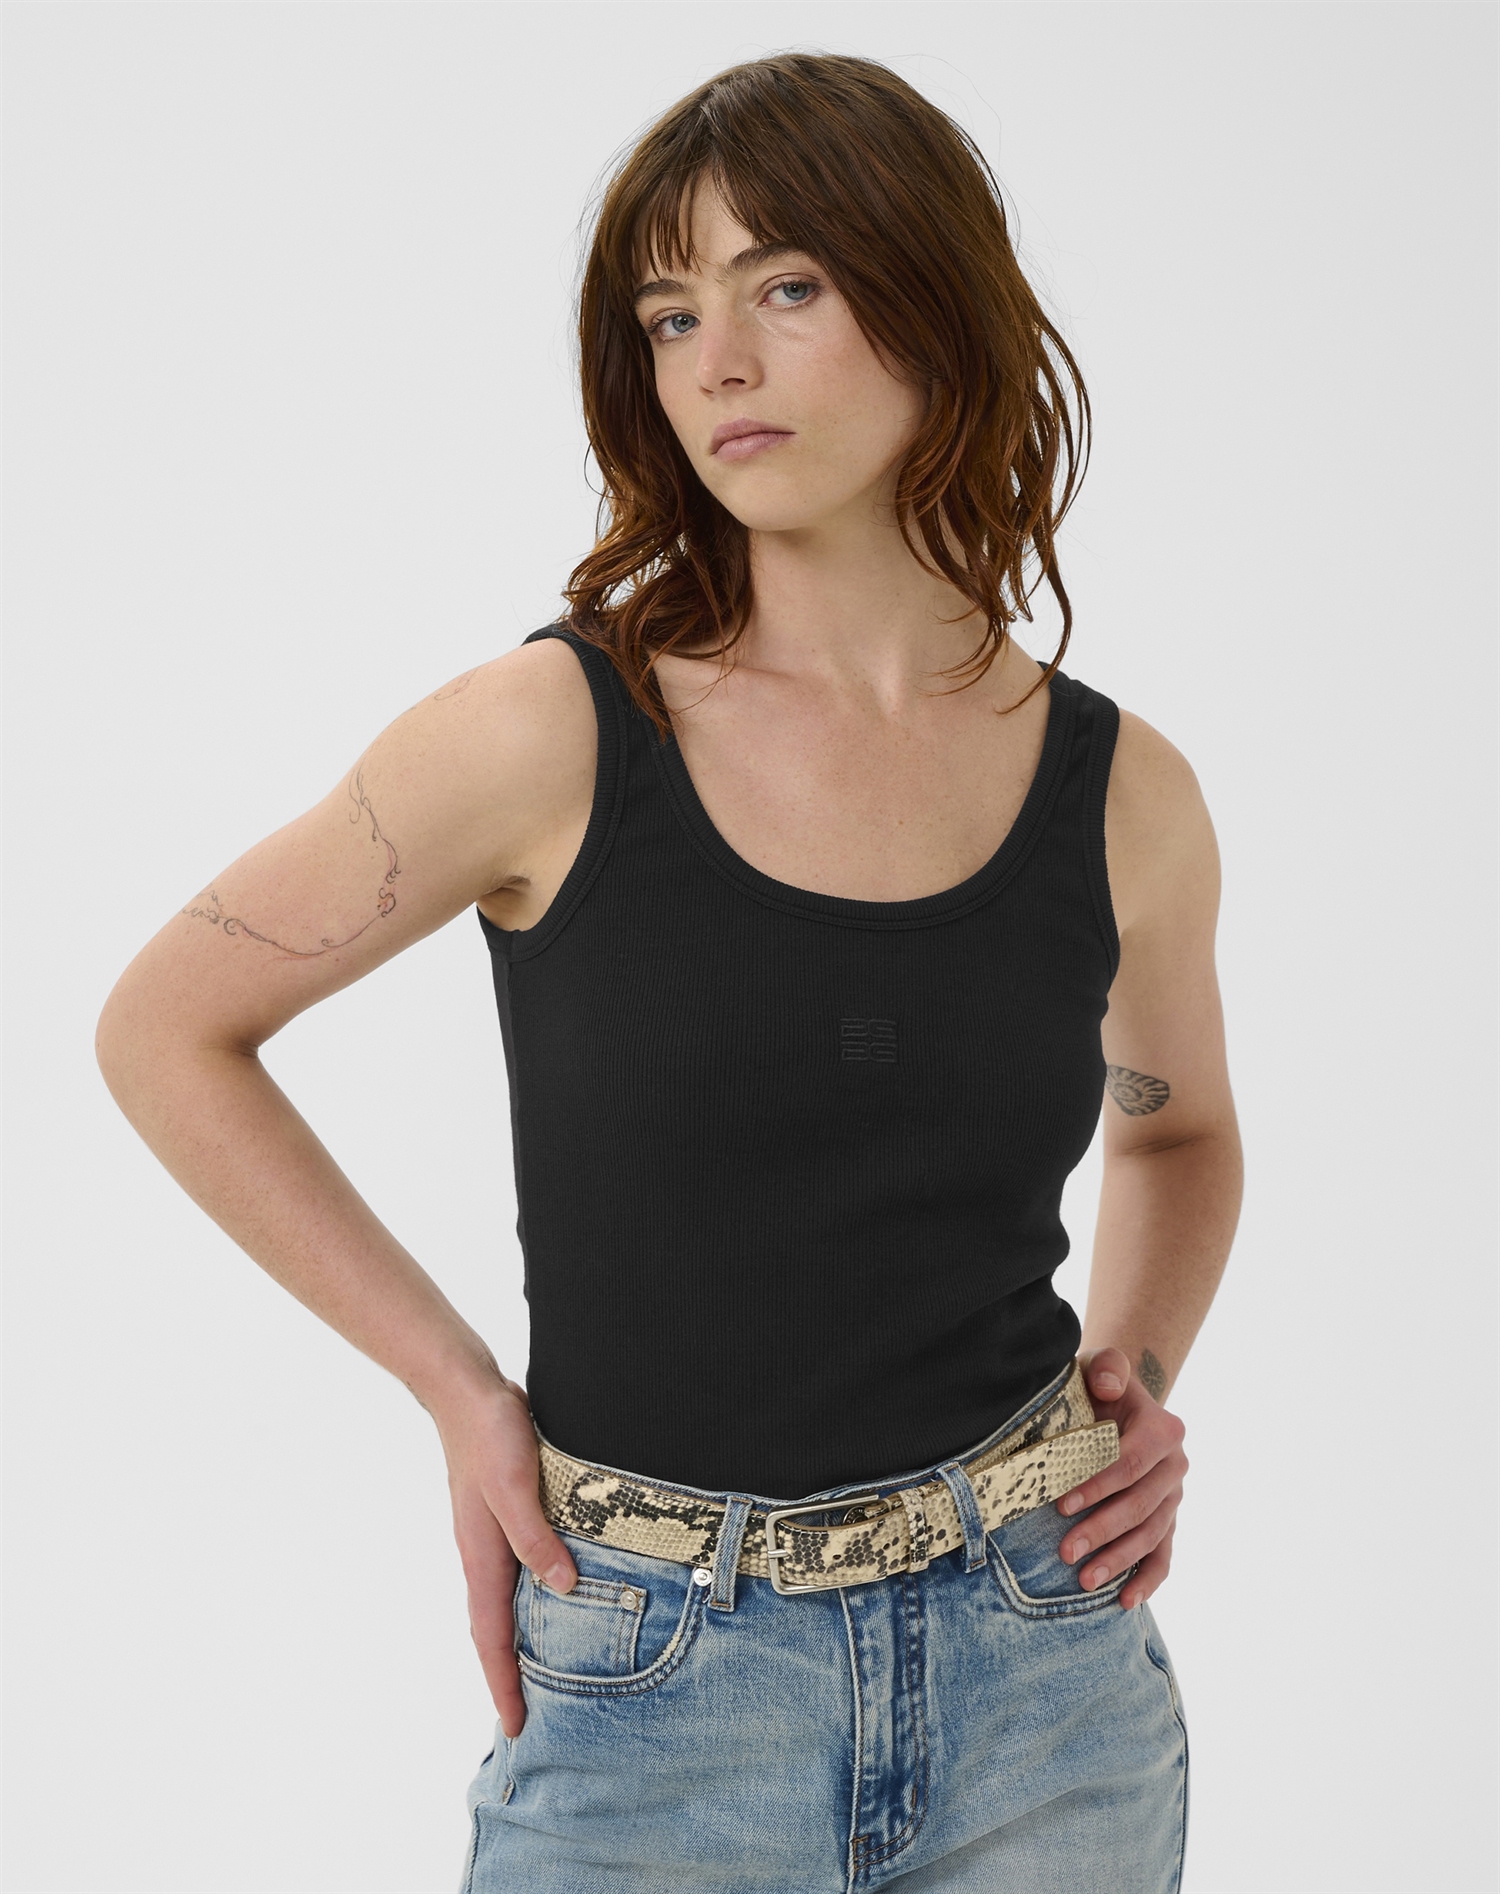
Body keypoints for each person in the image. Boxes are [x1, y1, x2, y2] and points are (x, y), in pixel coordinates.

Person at [96, 50, 1242, 1894]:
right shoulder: (552, 733)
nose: (716, 362)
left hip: (1051, 1687)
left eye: (786, 287)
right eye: (670, 313)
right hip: (654, 1688)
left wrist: (1136, 1375)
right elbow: (169, 1027)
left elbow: (1179, 1135)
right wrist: (459, 1388)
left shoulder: (1127, 793)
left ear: (938, 302)